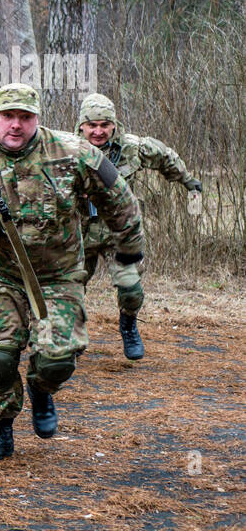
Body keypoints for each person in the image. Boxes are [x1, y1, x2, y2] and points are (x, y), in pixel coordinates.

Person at [0, 84, 144, 463]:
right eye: (8, 116)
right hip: (1, 275)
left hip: (59, 275)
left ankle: (40, 388)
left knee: (57, 360)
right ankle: (0, 430)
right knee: (0, 358)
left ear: (38, 118)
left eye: (25, 117)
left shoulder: (74, 153)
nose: (15, 125)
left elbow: (120, 199)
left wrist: (130, 251)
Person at [75, 92, 201, 360]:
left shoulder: (133, 147)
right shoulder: (64, 150)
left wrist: (188, 181)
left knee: (131, 290)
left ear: (114, 125)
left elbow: (165, 156)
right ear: (81, 126)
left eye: (104, 125)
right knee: (68, 290)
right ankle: (69, 339)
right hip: (77, 235)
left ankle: (129, 326)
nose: (98, 131)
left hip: (117, 234)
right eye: (92, 125)